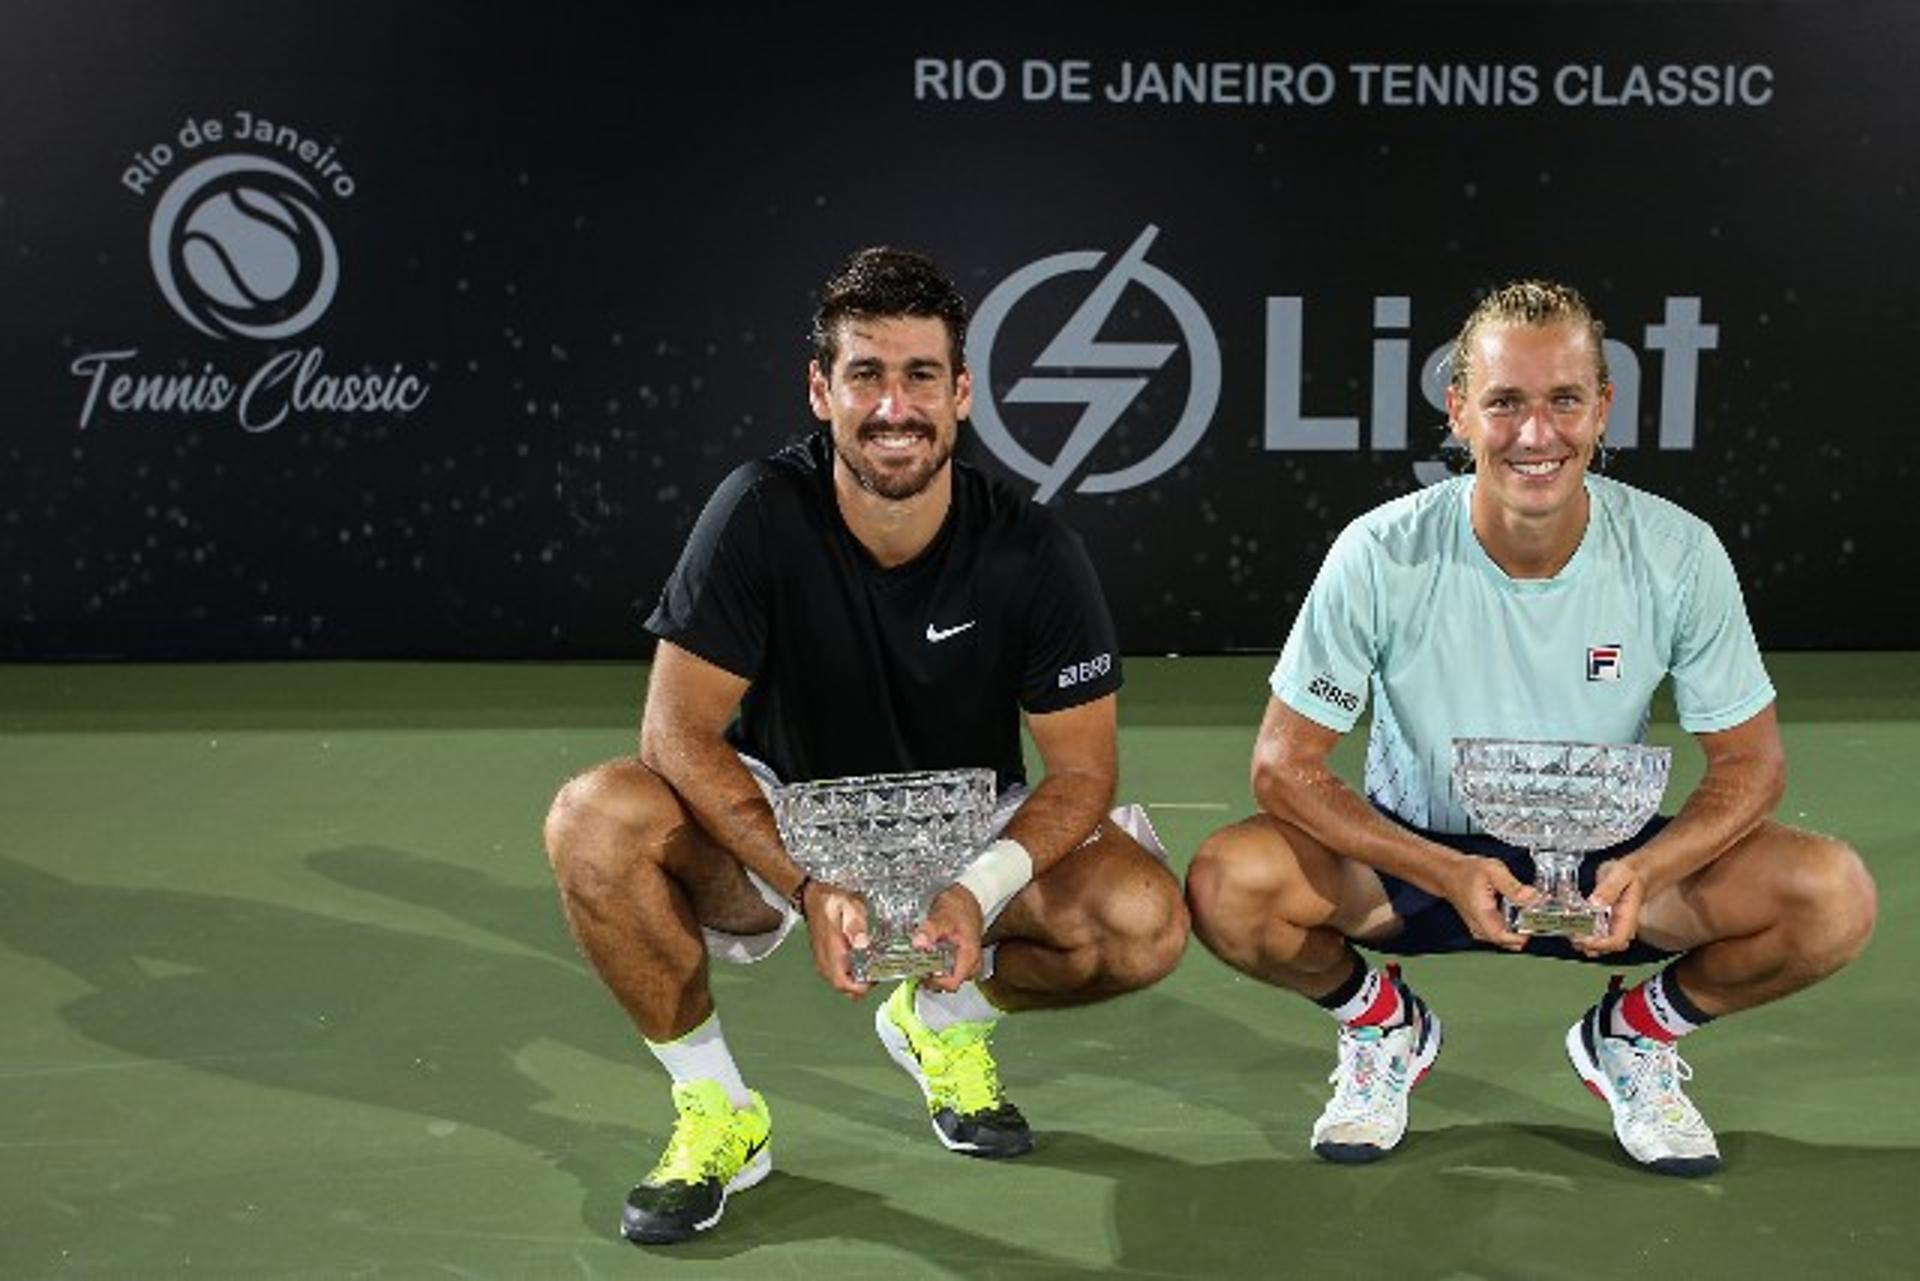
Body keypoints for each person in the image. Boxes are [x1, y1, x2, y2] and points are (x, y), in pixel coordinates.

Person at [543, 246, 1188, 1245]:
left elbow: (1083, 773)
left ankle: (941, 1022)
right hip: (784, 818)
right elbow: (674, 730)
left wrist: (976, 888)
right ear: (821, 389)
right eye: (867, 375)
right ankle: (719, 1109)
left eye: (921, 375)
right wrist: (806, 882)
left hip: (962, 827)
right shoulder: (758, 512)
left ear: (962, 392)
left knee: (1143, 919)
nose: (896, 407)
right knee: (595, 820)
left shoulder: (1031, 549)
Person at [1186, 279, 1875, 1178]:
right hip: (1414, 866)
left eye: (1564, 401)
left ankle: (1633, 1036)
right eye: (1505, 402)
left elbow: (1752, 762)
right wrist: (1440, 866)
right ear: (1459, 412)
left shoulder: (1678, 551)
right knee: (1227, 882)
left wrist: (1648, 868)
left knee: (1832, 896)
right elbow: (1283, 766)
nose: (1536, 434)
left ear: (1603, 411)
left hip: (1607, 873)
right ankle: (1381, 1023)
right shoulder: (1380, 552)